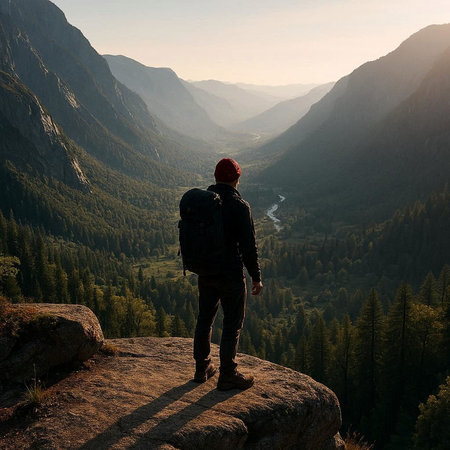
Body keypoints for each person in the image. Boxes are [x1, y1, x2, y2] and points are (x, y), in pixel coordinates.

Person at [193, 157, 263, 390]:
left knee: (205, 319)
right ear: (237, 179)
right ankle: (228, 375)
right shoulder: (240, 206)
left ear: (215, 177)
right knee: (232, 324)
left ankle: (202, 368)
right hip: (231, 274)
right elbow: (248, 246)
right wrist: (256, 276)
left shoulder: (205, 202)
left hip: (206, 271)